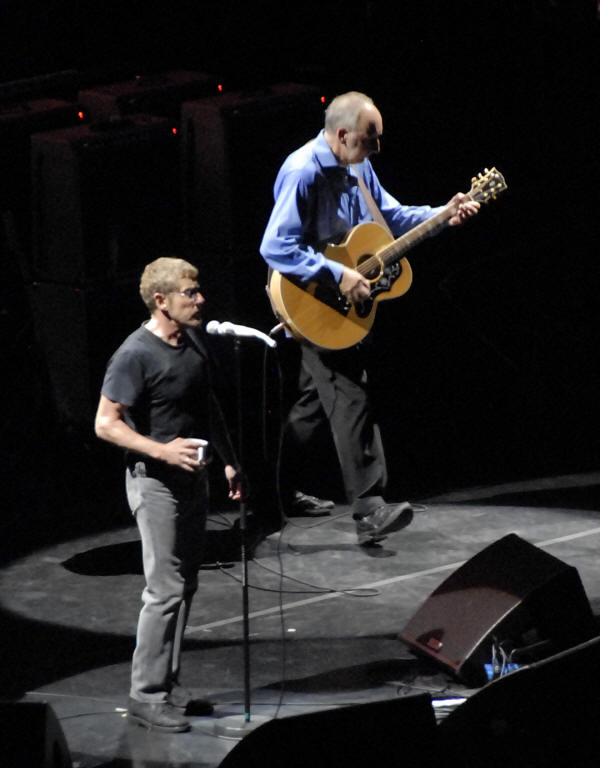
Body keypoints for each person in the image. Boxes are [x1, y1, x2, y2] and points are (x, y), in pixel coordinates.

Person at [260, 91, 479, 546]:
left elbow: (390, 217)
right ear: (342, 135)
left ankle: (271, 491)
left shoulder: (357, 165)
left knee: (311, 406)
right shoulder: (303, 171)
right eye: (369, 139)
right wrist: (338, 275)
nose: (376, 148)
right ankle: (370, 508)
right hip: (310, 297)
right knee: (349, 392)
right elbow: (275, 247)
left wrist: (443, 214)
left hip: (334, 303)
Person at [95, 257, 242, 733]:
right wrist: (160, 451)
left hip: (193, 478)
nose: (200, 300)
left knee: (187, 585)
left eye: (198, 291)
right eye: (189, 293)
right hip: (154, 484)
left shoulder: (192, 340)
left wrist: (227, 457)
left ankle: (169, 684)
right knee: (165, 590)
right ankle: (146, 695)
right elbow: (105, 423)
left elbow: (206, 404)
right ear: (161, 301)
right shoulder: (134, 354)